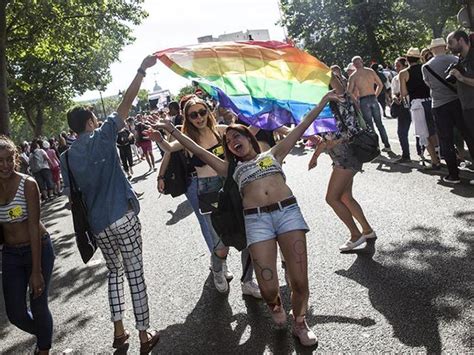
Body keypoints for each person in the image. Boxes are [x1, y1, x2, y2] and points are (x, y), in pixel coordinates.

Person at [147, 89, 342, 347]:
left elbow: (303, 124)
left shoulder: (274, 153)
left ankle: (300, 322)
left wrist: (324, 100)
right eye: (229, 140)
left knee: (300, 281)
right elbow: (196, 149)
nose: (233, 140)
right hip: (256, 220)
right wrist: (171, 130)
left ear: (250, 138)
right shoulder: (230, 168)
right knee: (268, 287)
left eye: (238, 135)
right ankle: (275, 306)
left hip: (288, 215)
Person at [60, 56, 160, 353]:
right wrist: (141, 70)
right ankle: (144, 333)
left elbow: (70, 196)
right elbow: (126, 103)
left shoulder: (66, 157)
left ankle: (119, 331)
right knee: (135, 273)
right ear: (90, 122)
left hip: (99, 225)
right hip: (123, 214)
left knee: (114, 273)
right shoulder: (103, 135)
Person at [152, 95, 260, 297]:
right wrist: (160, 139)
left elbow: (248, 133)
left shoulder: (220, 131)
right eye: (193, 115)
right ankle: (218, 270)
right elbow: (169, 148)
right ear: (188, 117)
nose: (199, 117)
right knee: (220, 244)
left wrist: (262, 114)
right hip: (207, 190)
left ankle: (247, 281)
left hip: (231, 185)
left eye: (202, 112)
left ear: (208, 112)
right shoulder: (187, 138)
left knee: (248, 235)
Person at [0, 135, 55, 354]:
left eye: (8, 159)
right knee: (15, 314)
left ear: (15, 158)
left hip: (38, 248)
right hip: (11, 255)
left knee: (39, 306)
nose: (4, 165)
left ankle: (43, 348)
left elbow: (33, 227)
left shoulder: (28, 184)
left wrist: (36, 271)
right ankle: (44, 334)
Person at [308, 93, 376, 252]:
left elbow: (345, 135)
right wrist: (315, 157)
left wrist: (333, 143)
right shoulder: (324, 110)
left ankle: (355, 234)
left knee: (331, 198)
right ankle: (367, 230)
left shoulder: (341, 105)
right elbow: (326, 140)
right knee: (345, 196)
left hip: (347, 158)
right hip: (341, 158)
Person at [423, 37, 474, 184]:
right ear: (445, 47)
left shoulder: (426, 66)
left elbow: (429, 85)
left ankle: (453, 174)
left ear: (432, 50)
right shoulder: (455, 59)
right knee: (468, 136)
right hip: (458, 101)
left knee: (446, 140)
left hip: (439, 105)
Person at [399, 47, 441, 169]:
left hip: (417, 104)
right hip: (431, 100)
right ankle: (439, 154)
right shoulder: (426, 67)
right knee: (434, 130)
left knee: (424, 133)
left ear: (407, 59)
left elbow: (404, 92)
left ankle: (434, 161)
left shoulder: (404, 73)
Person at [447, 30, 474, 185]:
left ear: (461, 40)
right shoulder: (460, 60)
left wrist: (461, 77)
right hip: (467, 107)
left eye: (451, 42)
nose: (449, 47)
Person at [348, 56, 391, 151]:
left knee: (370, 125)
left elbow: (349, 92)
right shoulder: (370, 71)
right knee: (379, 123)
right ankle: (387, 145)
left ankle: (375, 146)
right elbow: (380, 84)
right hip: (372, 97)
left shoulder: (353, 76)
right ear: (362, 62)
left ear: (354, 65)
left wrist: (355, 101)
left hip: (363, 99)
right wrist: (375, 95)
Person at [391, 57, 413, 162]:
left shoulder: (410, 75)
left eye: (398, 65)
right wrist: (394, 97)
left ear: (405, 65)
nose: (396, 68)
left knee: (421, 131)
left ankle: (422, 151)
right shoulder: (395, 79)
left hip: (413, 104)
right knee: (401, 132)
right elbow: (393, 92)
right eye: (395, 65)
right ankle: (406, 155)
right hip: (402, 107)